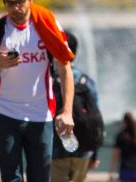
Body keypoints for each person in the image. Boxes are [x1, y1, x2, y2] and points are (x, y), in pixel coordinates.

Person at [0, 0, 76, 182]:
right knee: (11, 178)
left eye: (20, 2)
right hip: (6, 113)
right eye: (9, 3)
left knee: (40, 177)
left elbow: (65, 69)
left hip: (41, 115)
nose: (15, 9)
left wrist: (67, 112)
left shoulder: (47, 26)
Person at [50, 33, 102, 182]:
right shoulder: (87, 81)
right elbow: (96, 117)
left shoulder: (51, 79)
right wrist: (95, 152)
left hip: (56, 148)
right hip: (84, 149)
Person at [109, 113, 136, 182]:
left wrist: (111, 171)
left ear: (123, 122)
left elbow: (115, 155)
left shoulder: (120, 136)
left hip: (125, 170)